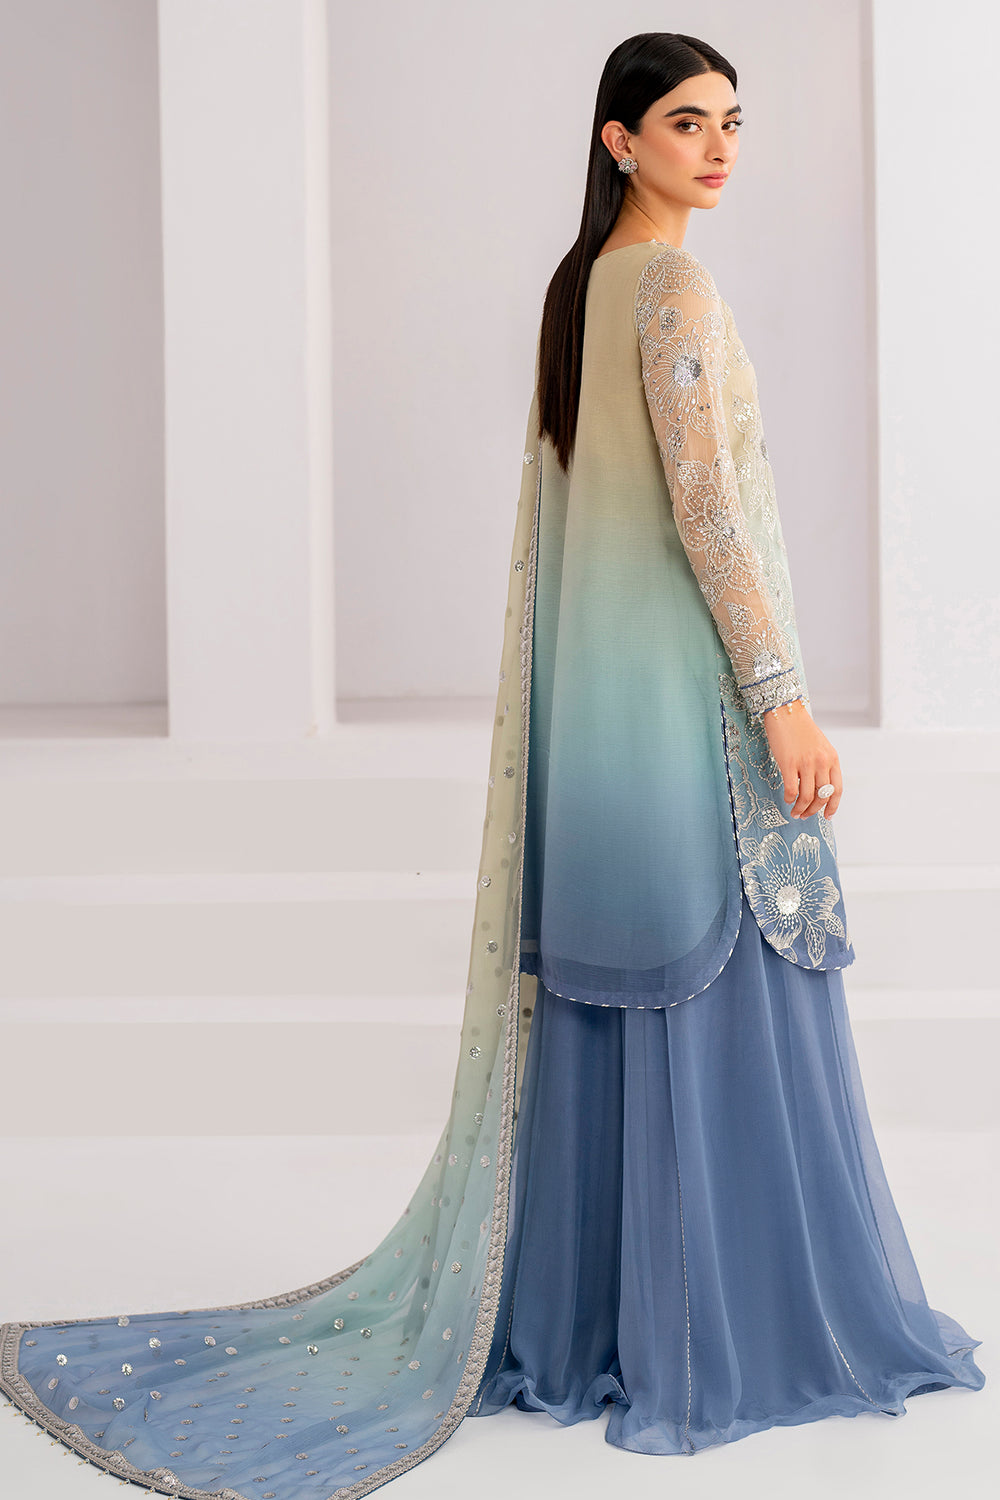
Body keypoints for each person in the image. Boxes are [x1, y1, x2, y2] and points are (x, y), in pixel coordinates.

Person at [0, 30, 984, 1500]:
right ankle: (715, 1331)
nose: (720, 147)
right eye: (686, 123)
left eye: (733, 120)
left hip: (613, 718)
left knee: (639, 982)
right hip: (692, 710)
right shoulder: (672, 289)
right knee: (718, 972)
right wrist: (782, 700)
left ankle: (602, 1319)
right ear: (619, 141)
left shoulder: (581, 288)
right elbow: (708, 508)